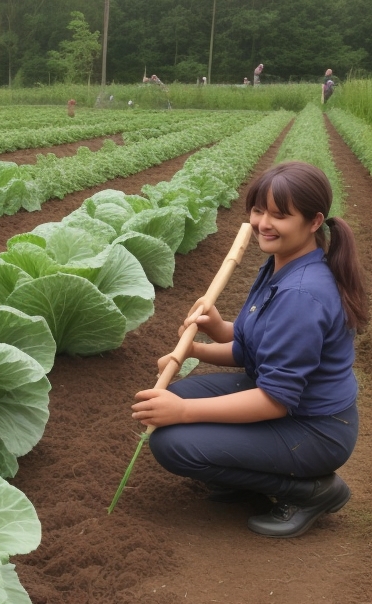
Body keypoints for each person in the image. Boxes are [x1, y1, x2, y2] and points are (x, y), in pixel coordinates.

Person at [133, 162, 364, 538]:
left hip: (315, 430)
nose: (263, 223)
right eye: (259, 210)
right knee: (172, 395)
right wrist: (205, 341)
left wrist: (185, 412)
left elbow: (274, 400)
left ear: (313, 221)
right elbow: (249, 349)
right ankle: (250, 475)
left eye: (280, 215)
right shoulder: (280, 264)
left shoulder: (302, 295)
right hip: (287, 407)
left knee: (173, 442)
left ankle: (311, 491)